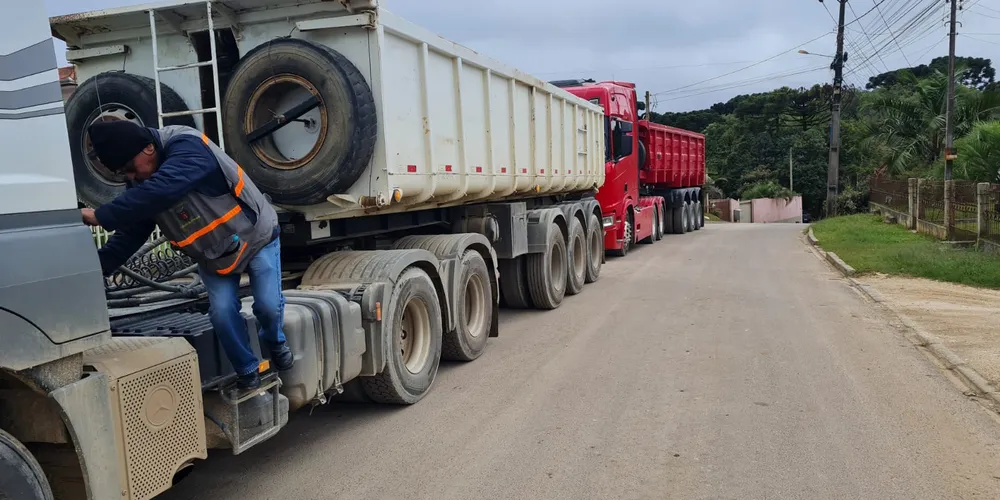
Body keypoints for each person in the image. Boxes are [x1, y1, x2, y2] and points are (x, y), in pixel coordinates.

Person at [82, 120, 293, 390]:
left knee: (267, 305)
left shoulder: (187, 146)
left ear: (148, 148)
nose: (131, 178)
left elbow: (165, 187)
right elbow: (132, 232)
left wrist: (101, 215)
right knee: (222, 314)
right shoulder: (142, 184)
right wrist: (96, 267)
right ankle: (248, 370)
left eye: (131, 169)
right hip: (214, 254)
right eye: (124, 174)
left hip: (256, 236)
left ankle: (275, 340)